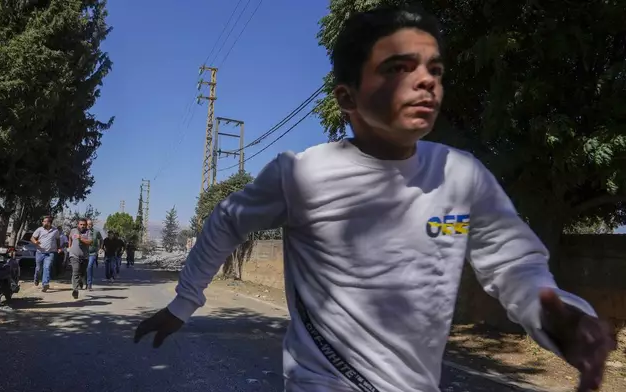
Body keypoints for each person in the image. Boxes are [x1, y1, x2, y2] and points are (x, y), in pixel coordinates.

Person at [134, 5, 616, 392]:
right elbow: (226, 221)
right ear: (347, 98)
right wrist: (183, 303)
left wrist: (559, 319)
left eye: (434, 69)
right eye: (398, 68)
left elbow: (515, 269)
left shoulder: (462, 175)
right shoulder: (301, 175)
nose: (426, 80)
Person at [31, 216, 61, 292]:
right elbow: (32, 237)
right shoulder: (39, 230)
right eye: (43, 221)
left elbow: (57, 239)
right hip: (40, 252)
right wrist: (35, 242)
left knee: (47, 267)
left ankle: (45, 284)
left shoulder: (55, 231)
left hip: (50, 253)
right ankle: (36, 278)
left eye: (46, 221)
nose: (44, 223)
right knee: (38, 269)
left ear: (50, 223)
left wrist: (58, 248)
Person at [68, 218, 92, 299]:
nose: (82, 226)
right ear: (78, 224)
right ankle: (75, 290)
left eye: (84, 225)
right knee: (75, 270)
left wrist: (81, 238)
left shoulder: (88, 232)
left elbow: (90, 242)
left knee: (82, 273)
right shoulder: (73, 231)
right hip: (74, 255)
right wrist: (69, 247)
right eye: (81, 224)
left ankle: (81, 280)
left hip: (84, 257)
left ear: (86, 225)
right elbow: (70, 238)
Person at [86, 219, 103, 291]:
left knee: (89, 267)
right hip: (83, 253)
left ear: (92, 225)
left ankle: (89, 284)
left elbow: (101, 239)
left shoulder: (96, 232)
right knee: (82, 268)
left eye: (90, 224)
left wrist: (100, 248)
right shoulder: (82, 232)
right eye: (87, 224)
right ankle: (82, 281)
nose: (88, 225)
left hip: (92, 253)